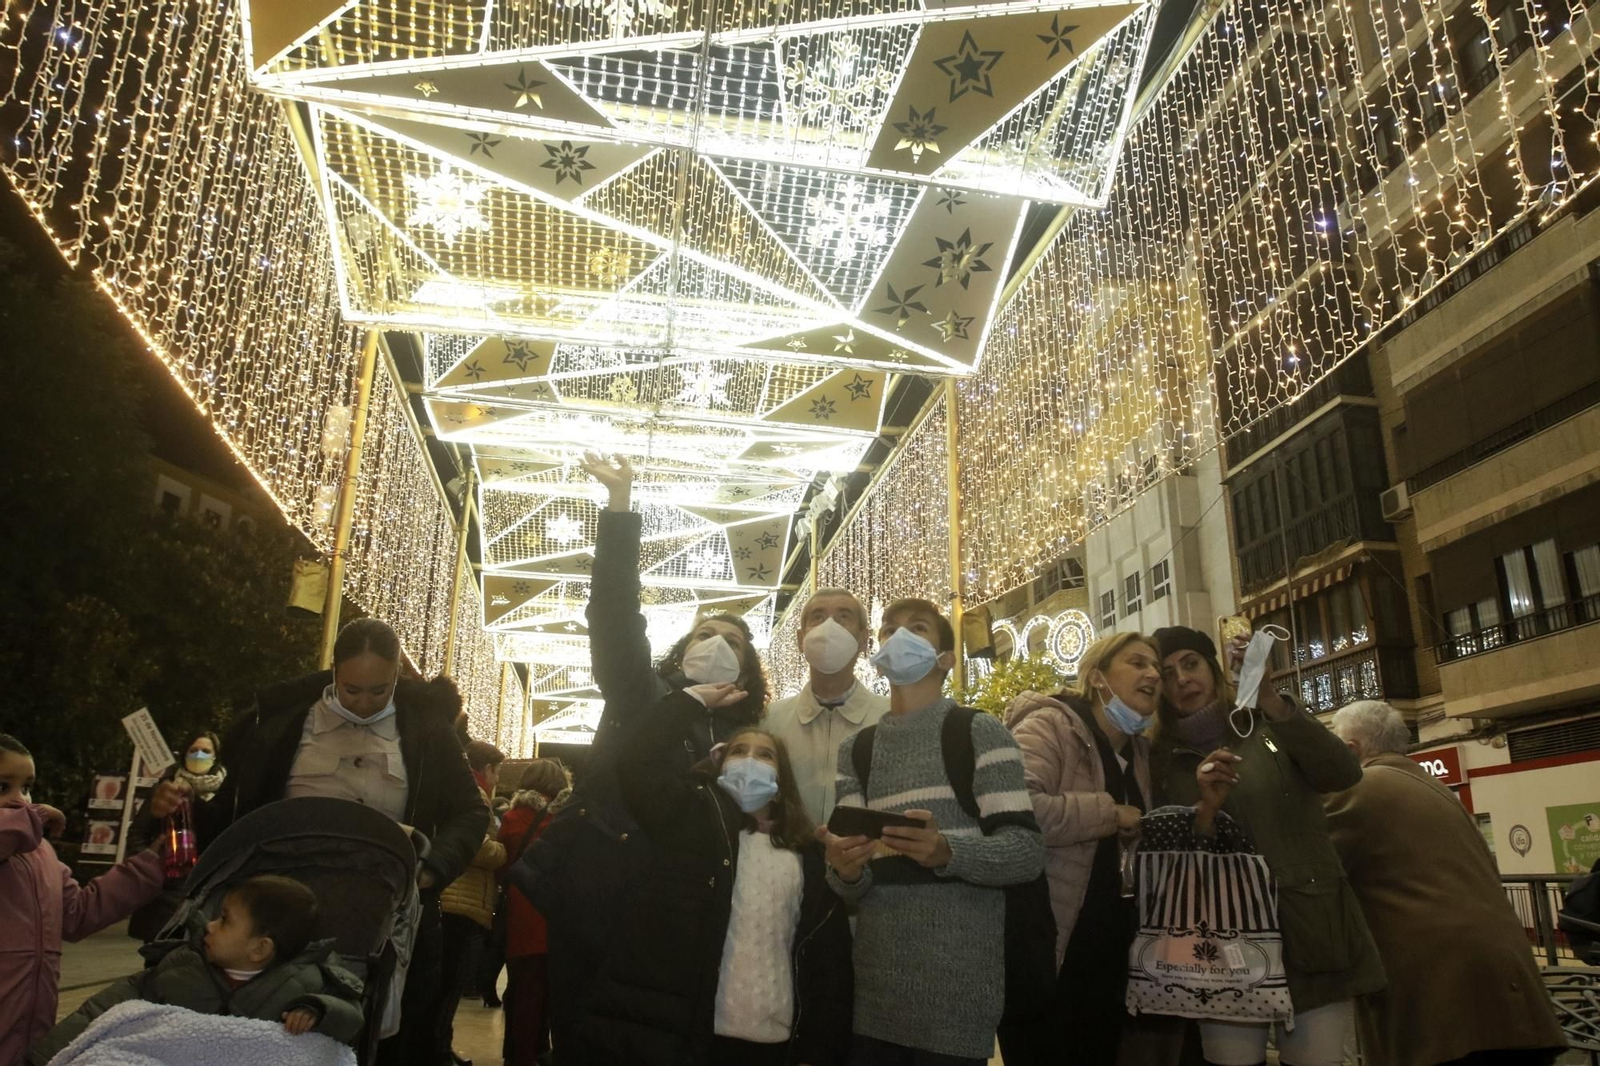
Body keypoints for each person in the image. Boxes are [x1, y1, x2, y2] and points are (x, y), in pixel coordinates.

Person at [510, 453, 770, 1062]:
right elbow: (615, 615)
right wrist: (621, 508)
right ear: (681, 653)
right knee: (585, 1033)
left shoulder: (751, 735)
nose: (717, 645)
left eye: (733, 641)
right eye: (705, 634)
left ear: (750, 669)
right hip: (602, 890)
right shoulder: (641, 693)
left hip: (686, 912)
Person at [195, 618, 489, 1066]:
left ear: (397, 677)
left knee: (384, 1041)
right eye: (352, 690)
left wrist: (432, 869)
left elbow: (471, 811)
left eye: (380, 691)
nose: (366, 703)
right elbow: (230, 803)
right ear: (333, 671)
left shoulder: (427, 728)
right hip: (282, 911)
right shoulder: (280, 722)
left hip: (385, 918)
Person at [818, 598, 1044, 1065]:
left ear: (945, 659)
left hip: (958, 995)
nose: (897, 637)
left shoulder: (979, 731)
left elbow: (1025, 851)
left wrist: (946, 851)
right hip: (874, 991)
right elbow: (851, 884)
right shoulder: (856, 750)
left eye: (917, 628)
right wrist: (843, 868)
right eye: (888, 630)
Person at [1150, 625, 1383, 1066]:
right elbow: (1167, 857)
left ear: (1213, 668)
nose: (1181, 679)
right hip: (1220, 942)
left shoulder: (1265, 721)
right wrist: (1203, 809)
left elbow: (1342, 773)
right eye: (1166, 673)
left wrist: (1273, 701)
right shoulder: (1160, 758)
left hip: (1309, 925)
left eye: (1191, 663)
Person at [587, 683, 852, 1065]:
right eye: (738, 752)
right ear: (718, 767)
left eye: (765, 755)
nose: (749, 760)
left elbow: (828, 962)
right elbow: (637, 762)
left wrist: (819, 1048)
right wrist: (690, 702)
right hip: (693, 1032)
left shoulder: (807, 855)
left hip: (775, 1039)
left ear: (780, 783)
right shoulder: (689, 825)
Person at [1325, 702, 1565, 1066]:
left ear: (1350, 751)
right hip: (1509, 992)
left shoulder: (1359, 787)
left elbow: (1308, 866)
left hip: (1439, 1001)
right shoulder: (1434, 789)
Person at [1000, 632, 1159, 1066]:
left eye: (1156, 667)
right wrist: (1111, 814)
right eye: (1138, 662)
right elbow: (1018, 809)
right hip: (1049, 948)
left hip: (1110, 951)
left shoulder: (1140, 751)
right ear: (1097, 677)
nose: (1153, 674)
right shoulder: (1051, 725)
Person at [29, 874, 366, 1063]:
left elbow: (350, 1017)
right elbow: (106, 1010)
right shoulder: (183, 966)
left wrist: (319, 1010)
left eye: (225, 920)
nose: (209, 926)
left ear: (259, 948)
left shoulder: (307, 983)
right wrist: (45, 1055)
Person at [0, 732, 187, 1066]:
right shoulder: (24, 830)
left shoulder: (41, 852)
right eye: (3, 787)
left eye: (26, 787)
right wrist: (34, 818)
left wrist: (150, 865)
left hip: (30, 1038)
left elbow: (78, 913)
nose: (20, 799)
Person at [764, 587, 889, 825]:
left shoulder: (891, 718)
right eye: (818, 617)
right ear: (801, 640)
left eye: (844, 616)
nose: (829, 627)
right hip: (790, 857)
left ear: (863, 639)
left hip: (865, 859)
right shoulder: (770, 721)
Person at [437, 741, 507, 1066]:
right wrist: (502, 850)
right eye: (497, 772)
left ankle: (439, 1047)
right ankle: (438, 1050)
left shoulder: (460, 790)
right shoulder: (476, 798)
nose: (497, 780)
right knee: (446, 984)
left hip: (453, 895)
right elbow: (478, 848)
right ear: (487, 769)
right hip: (460, 898)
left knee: (445, 984)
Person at [497, 760, 571, 1066]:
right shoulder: (567, 821)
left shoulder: (512, 818)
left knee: (523, 989)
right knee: (555, 992)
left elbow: (502, 866)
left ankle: (519, 1055)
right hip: (558, 911)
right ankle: (545, 1051)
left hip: (521, 910)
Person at [128, 729, 230, 942]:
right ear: (184, 754)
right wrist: (151, 869)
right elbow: (138, 832)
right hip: (166, 892)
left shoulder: (226, 793)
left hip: (207, 890)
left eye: (205, 751)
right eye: (193, 750)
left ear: (215, 757)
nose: (199, 755)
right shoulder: (166, 787)